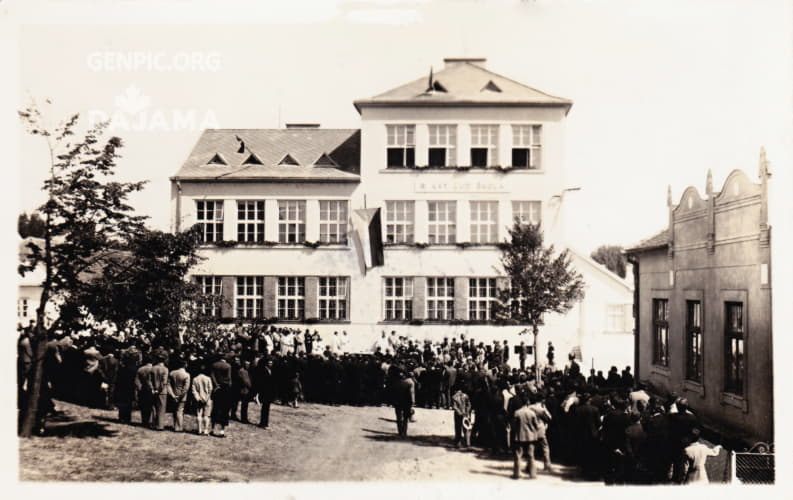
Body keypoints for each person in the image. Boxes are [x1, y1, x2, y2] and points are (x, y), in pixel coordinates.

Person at [210, 354, 233, 437]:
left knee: (215, 408)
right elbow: (229, 379)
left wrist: (216, 385)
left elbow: (212, 376)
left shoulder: (214, 365)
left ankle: (212, 428)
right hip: (225, 389)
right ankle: (222, 431)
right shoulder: (228, 366)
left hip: (216, 389)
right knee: (224, 410)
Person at [167, 357, 191, 432]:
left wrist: (173, 395)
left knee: (175, 411)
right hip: (182, 396)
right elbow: (186, 388)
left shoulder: (172, 373)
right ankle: (179, 427)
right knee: (180, 411)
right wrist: (180, 395)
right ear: (185, 365)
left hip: (173, 393)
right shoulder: (186, 375)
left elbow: (168, 385)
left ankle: (175, 425)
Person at [191, 364, 213, 435]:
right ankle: (206, 430)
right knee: (206, 415)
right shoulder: (208, 378)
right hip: (207, 399)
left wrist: (198, 398)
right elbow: (210, 389)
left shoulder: (195, 379)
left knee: (199, 414)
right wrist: (206, 398)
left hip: (198, 399)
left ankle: (199, 430)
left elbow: (193, 390)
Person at [149, 352, 169, 431]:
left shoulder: (153, 368)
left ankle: (153, 423)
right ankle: (160, 425)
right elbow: (164, 382)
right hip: (162, 391)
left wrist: (153, 389)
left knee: (154, 407)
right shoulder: (165, 369)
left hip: (153, 390)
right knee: (161, 408)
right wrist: (159, 389)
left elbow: (149, 380)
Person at [392, 369, 414, 438]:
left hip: (398, 402)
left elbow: (393, 393)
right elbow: (411, 393)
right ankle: (404, 432)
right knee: (405, 418)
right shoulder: (409, 382)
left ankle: (400, 431)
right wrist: (412, 402)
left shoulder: (396, 382)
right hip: (406, 402)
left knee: (399, 417)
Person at [255, 357, 275, 429]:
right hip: (265, 391)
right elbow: (262, 382)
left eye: (271, 363)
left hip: (269, 391)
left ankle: (265, 423)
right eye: (269, 363)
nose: (271, 364)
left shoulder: (270, 370)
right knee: (265, 408)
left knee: (267, 408)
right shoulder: (264, 370)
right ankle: (263, 423)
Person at [134, 355, 154, 428]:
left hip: (143, 389)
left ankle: (144, 421)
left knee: (143, 406)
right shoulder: (153, 369)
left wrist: (140, 387)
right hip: (151, 389)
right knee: (151, 406)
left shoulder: (140, 369)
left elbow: (136, 380)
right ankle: (150, 421)